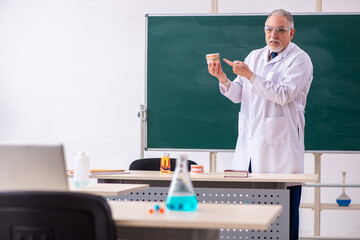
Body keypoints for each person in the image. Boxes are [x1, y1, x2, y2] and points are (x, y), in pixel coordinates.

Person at [207, 9, 313, 240]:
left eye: (280, 30)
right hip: (250, 152)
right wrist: (223, 79)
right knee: (251, 223)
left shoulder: (300, 59)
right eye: (269, 29)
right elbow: (238, 94)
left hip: (280, 155)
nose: (273, 34)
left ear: (291, 33)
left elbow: (284, 94)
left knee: (284, 224)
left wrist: (251, 76)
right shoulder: (254, 56)